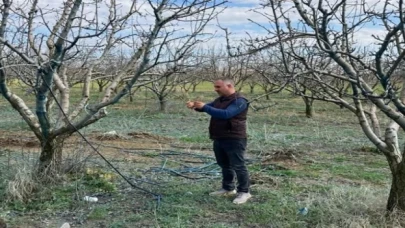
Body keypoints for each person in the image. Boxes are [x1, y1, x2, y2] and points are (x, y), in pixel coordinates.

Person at [186, 78, 251, 204]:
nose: (215, 89)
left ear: (229, 86)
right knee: (224, 164)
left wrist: (204, 107)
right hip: (219, 137)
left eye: (218, 87)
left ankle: (244, 192)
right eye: (215, 87)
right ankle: (228, 188)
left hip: (235, 138)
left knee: (238, 165)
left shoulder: (240, 101)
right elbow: (209, 107)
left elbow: (226, 114)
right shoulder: (220, 100)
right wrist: (195, 106)